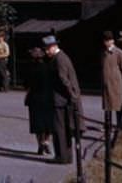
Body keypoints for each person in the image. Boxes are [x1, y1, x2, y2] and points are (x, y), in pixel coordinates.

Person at [43, 34, 82, 164]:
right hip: (64, 99)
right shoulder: (62, 57)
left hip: (59, 100)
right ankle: (67, 156)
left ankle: (61, 156)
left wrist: (72, 95)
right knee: (65, 129)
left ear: (54, 47)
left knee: (59, 129)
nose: (46, 51)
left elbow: (63, 79)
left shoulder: (59, 59)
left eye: (48, 48)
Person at [24, 47, 52, 155]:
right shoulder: (48, 67)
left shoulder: (30, 68)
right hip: (47, 97)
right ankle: (47, 141)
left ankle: (40, 144)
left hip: (34, 98)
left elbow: (26, 84)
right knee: (48, 123)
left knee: (37, 124)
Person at [101, 31, 122, 124]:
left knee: (118, 109)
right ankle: (107, 132)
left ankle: (119, 131)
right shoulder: (104, 53)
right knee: (107, 112)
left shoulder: (119, 53)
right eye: (105, 40)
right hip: (106, 86)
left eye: (108, 40)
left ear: (112, 41)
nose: (106, 43)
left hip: (116, 86)